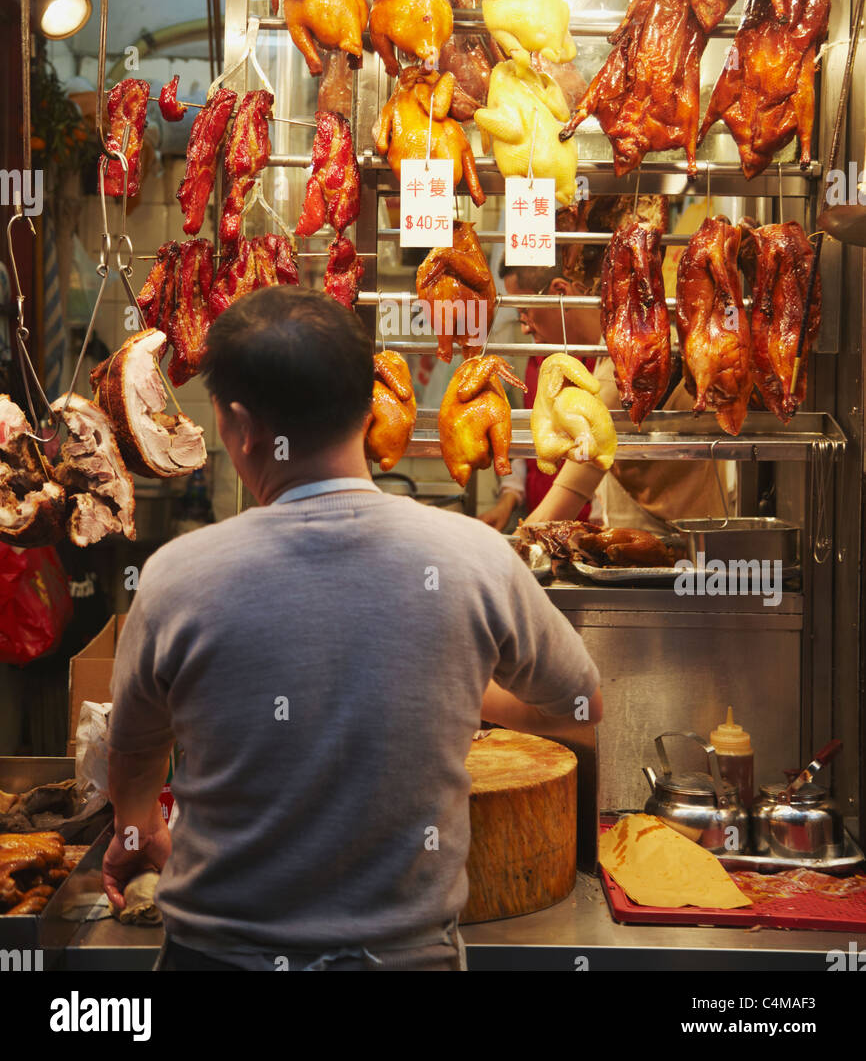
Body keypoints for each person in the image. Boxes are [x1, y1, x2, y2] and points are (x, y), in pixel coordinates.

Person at [103, 286, 602, 972]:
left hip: (220, 956)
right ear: (370, 410)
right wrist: (447, 681)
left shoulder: (176, 576)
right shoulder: (474, 556)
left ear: (241, 426)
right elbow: (581, 705)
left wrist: (138, 826)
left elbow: (132, 747)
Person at [485, 198, 725, 534]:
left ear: (558, 292)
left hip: (681, 554)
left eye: (525, 310)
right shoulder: (605, 350)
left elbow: (566, 495)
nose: (524, 325)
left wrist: (502, 551)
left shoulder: (627, 359)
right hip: (651, 541)